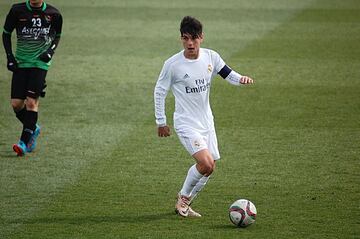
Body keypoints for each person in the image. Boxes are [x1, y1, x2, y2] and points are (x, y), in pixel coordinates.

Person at [154, 16, 254, 217]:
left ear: (202, 37)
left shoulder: (211, 57)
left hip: (207, 122)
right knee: (206, 163)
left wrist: (241, 79)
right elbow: (159, 91)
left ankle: (185, 201)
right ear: (181, 39)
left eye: (194, 38)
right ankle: (182, 200)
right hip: (186, 123)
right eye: (185, 38)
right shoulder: (173, 64)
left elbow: (228, 74)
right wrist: (161, 121)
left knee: (210, 168)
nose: (190, 43)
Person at [2, 0, 63, 156]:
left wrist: (50, 52)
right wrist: (10, 57)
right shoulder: (17, 10)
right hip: (21, 61)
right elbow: (6, 34)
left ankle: (23, 142)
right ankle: (33, 127)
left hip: (40, 63)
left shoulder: (53, 14)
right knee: (16, 104)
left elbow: (57, 35)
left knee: (31, 101)